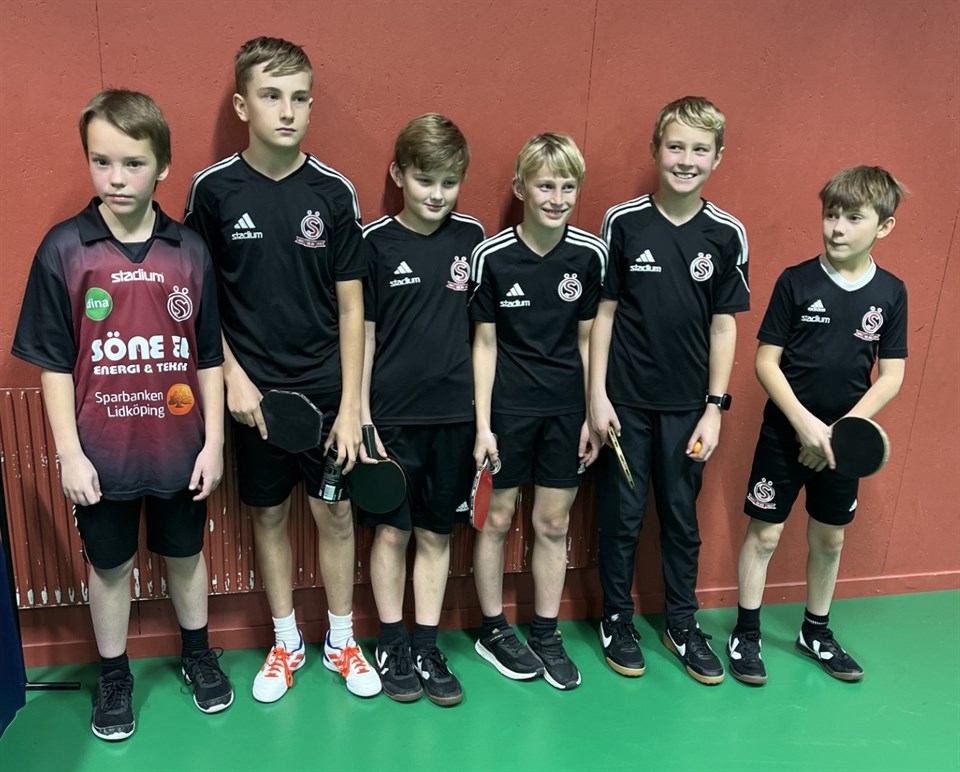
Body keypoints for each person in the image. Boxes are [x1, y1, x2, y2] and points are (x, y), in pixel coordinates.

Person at [12, 90, 232, 740]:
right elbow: (54, 364)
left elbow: (210, 357)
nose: (116, 178)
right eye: (101, 161)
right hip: (101, 454)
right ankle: (114, 675)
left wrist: (214, 443)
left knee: (186, 555)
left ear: (162, 166)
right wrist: (69, 454)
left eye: (133, 163)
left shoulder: (188, 251)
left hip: (180, 448)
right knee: (110, 568)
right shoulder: (64, 249)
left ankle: (198, 655)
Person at [184, 36, 380, 702]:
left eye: (300, 98)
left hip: (325, 394)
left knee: (336, 517)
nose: (288, 111)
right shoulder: (213, 191)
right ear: (243, 105)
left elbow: (352, 306)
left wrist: (352, 406)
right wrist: (233, 378)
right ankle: (286, 643)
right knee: (267, 519)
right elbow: (198, 300)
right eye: (271, 96)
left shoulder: (334, 192)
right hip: (252, 399)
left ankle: (341, 641)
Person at [591, 96, 749, 685]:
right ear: (656, 150)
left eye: (699, 150)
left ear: (718, 158)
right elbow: (604, 314)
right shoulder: (622, 223)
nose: (686, 160)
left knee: (681, 519)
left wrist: (714, 409)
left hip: (688, 412)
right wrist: (598, 396)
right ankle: (616, 618)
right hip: (625, 407)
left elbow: (724, 326)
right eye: (676, 146)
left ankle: (681, 623)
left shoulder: (726, 233)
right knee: (622, 518)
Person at [728, 166, 907, 685]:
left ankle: (816, 632)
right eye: (831, 215)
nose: (837, 228)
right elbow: (766, 363)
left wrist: (836, 434)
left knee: (829, 540)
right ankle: (746, 632)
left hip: (841, 446)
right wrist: (805, 425)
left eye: (853, 218)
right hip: (784, 434)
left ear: (884, 226)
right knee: (765, 534)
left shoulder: (891, 292)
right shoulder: (796, 281)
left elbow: (891, 375)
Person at [470, 132, 605, 691]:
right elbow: (483, 345)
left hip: (565, 413)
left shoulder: (590, 255)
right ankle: (493, 630)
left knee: (552, 523)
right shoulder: (491, 257)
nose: (557, 198)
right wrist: (483, 425)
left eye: (568, 187)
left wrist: (590, 413)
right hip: (507, 412)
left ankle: (546, 634)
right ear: (520, 188)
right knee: (497, 519)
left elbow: (588, 341)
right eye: (545, 185)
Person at [359, 114, 484, 707]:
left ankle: (427, 646)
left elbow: (484, 337)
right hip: (392, 420)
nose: (437, 194)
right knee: (392, 532)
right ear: (398, 175)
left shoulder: (473, 239)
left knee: (436, 535)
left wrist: (483, 419)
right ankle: (392, 643)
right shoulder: (373, 243)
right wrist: (361, 414)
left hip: (455, 419)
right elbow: (363, 336)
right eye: (424, 180)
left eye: (449, 182)